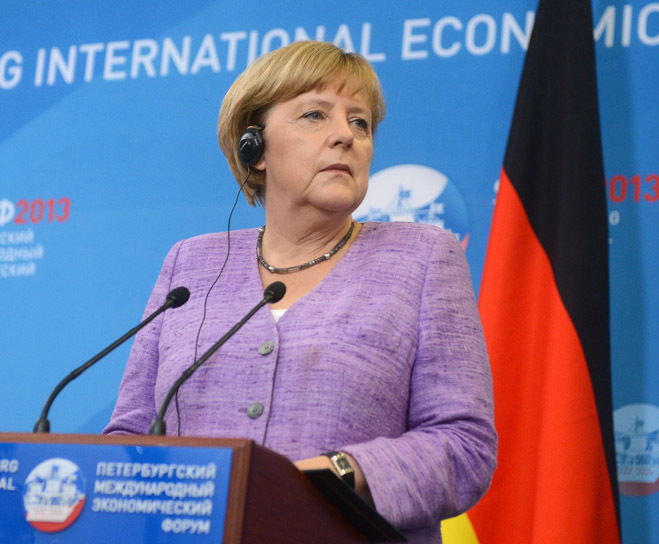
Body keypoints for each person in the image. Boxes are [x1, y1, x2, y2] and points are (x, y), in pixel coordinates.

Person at [105, 40, 497, 543]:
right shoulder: (190, 263)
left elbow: (464, 446)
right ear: (254, 147)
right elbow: (128, 437)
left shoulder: (422, 258)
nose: (344, 136)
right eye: (315, 115)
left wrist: (336, 472)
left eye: (360, 123)